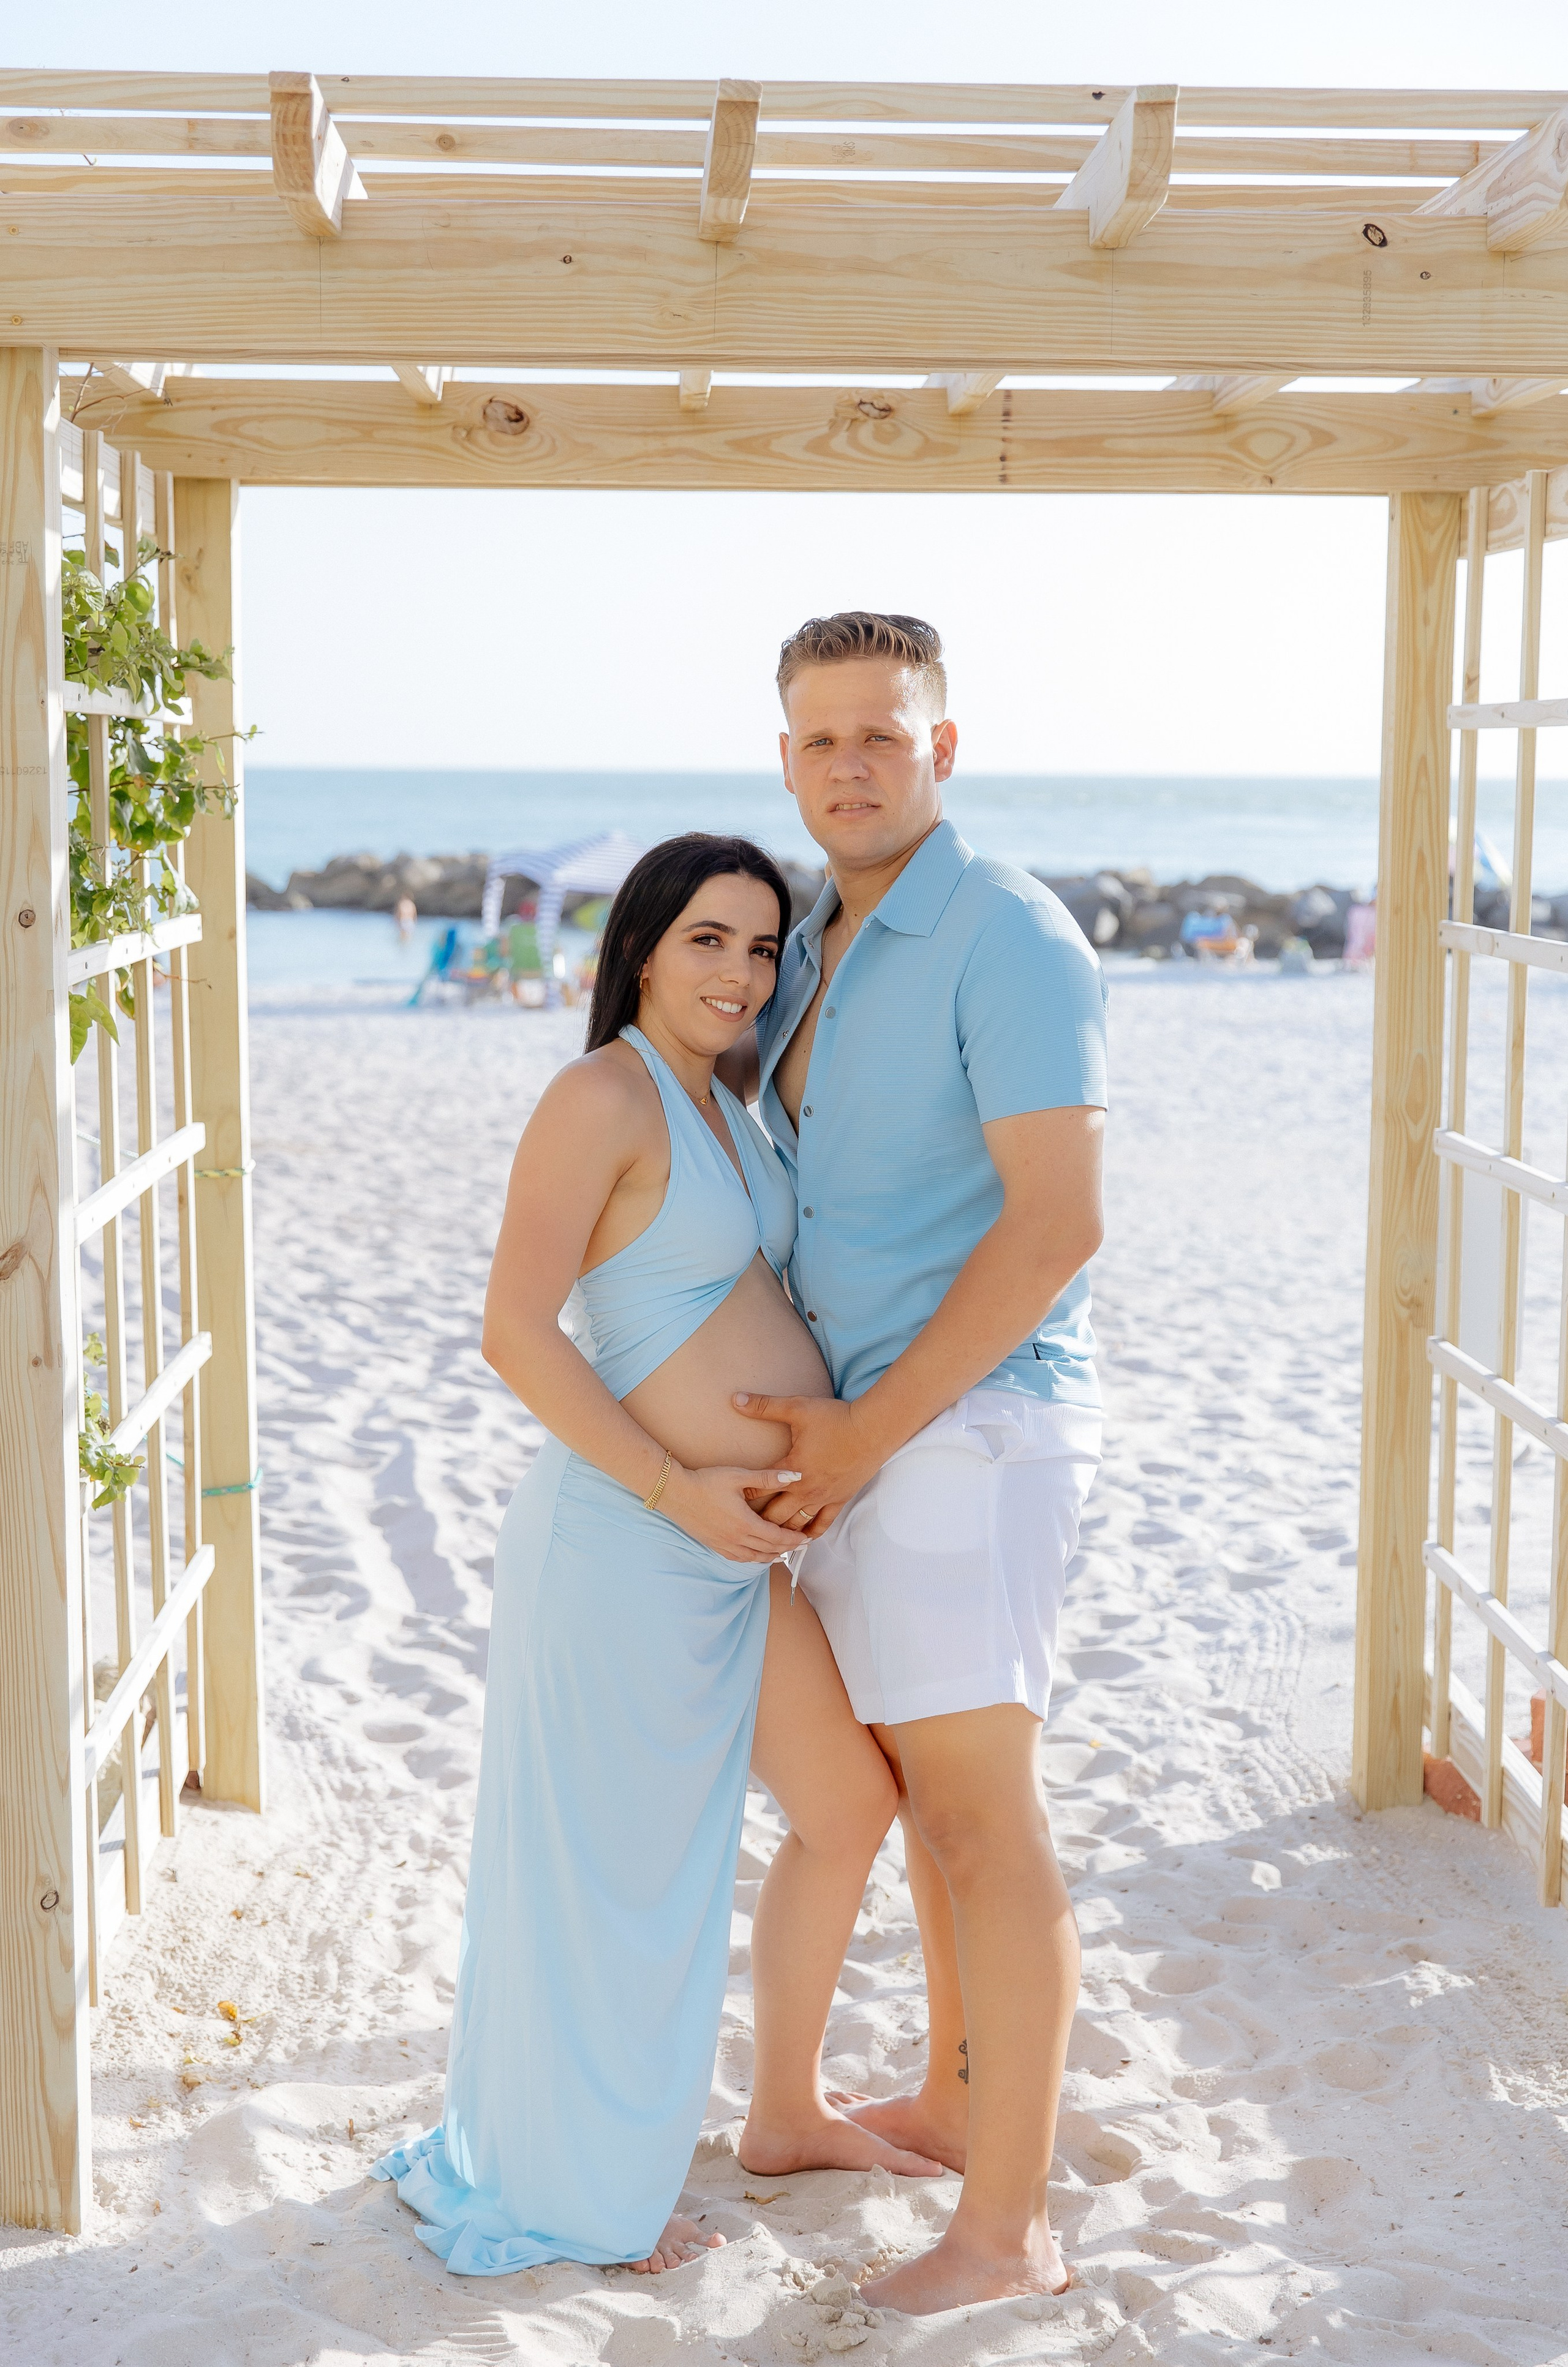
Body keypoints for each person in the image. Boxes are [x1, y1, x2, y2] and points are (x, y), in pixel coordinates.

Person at [374, 833, 930, 2281]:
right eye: (706, 940)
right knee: (613, 1877)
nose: (738, 972)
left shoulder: (727, 1104)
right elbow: (513, 1333)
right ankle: (574, 2193)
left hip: (726, 1557)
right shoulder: (600, 1096)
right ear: (637, 949)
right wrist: (680, 1488)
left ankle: (786, 2109)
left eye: (760, 947)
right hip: (625, 1539)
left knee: (847, 1805)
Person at [726, 612, 1109, 2314]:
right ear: (785, 759)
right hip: (868, 1440)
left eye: (881, 734)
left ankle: (1006, 2235)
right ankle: (955, 2105)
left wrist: (869, 1437)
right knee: (928, 1807)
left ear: (940, 748)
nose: (849, 766)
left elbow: (1057, 1225)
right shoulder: (806, 937)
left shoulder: (1007, 933)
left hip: (972, 1429)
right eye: (818, 740)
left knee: (976, 1819)